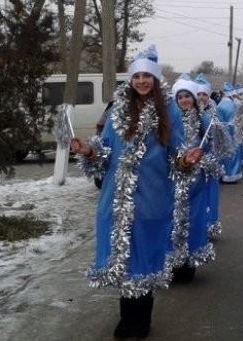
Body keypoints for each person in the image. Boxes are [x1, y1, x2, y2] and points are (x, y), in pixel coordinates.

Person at [70, 46, 203, 340]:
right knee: (122, 257)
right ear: (130, 80)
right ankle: (126, 316)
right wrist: (88, 150)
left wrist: (186, 160)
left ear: (156, 81)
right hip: (116, 199)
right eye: (137, 76)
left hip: (152, 198)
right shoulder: (118, 109)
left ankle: (141, 319)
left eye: (147, 76)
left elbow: (175, 156)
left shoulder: (169, 112)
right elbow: (104, 154)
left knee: (145, 257)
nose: (142, 81)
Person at [170, 74, 221, 283]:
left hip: (195, 184)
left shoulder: (205, 121)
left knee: (192, 222)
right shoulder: (170, 123)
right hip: (172, 182)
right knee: (172, 223)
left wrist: (203, 162)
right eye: (180, 97)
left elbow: (214, 153)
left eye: (187, 96)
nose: (184, 100)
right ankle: (171, 262)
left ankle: (188, 265)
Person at [195, 74, 223, 239]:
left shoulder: (214, 115)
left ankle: (209, 225)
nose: (201, 97)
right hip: (193, 163)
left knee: (209, 196)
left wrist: (212, 159)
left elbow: (219, 141)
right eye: (198, 94)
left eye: (204, 94)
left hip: (210, 162)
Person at [217, 83, 243, 183]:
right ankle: (231, 175)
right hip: (232, 133)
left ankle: (225, 174)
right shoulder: (233, 105)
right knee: (233, 154)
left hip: (222, 132)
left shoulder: (220, 105)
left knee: (224, 155)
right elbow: (235, 121)